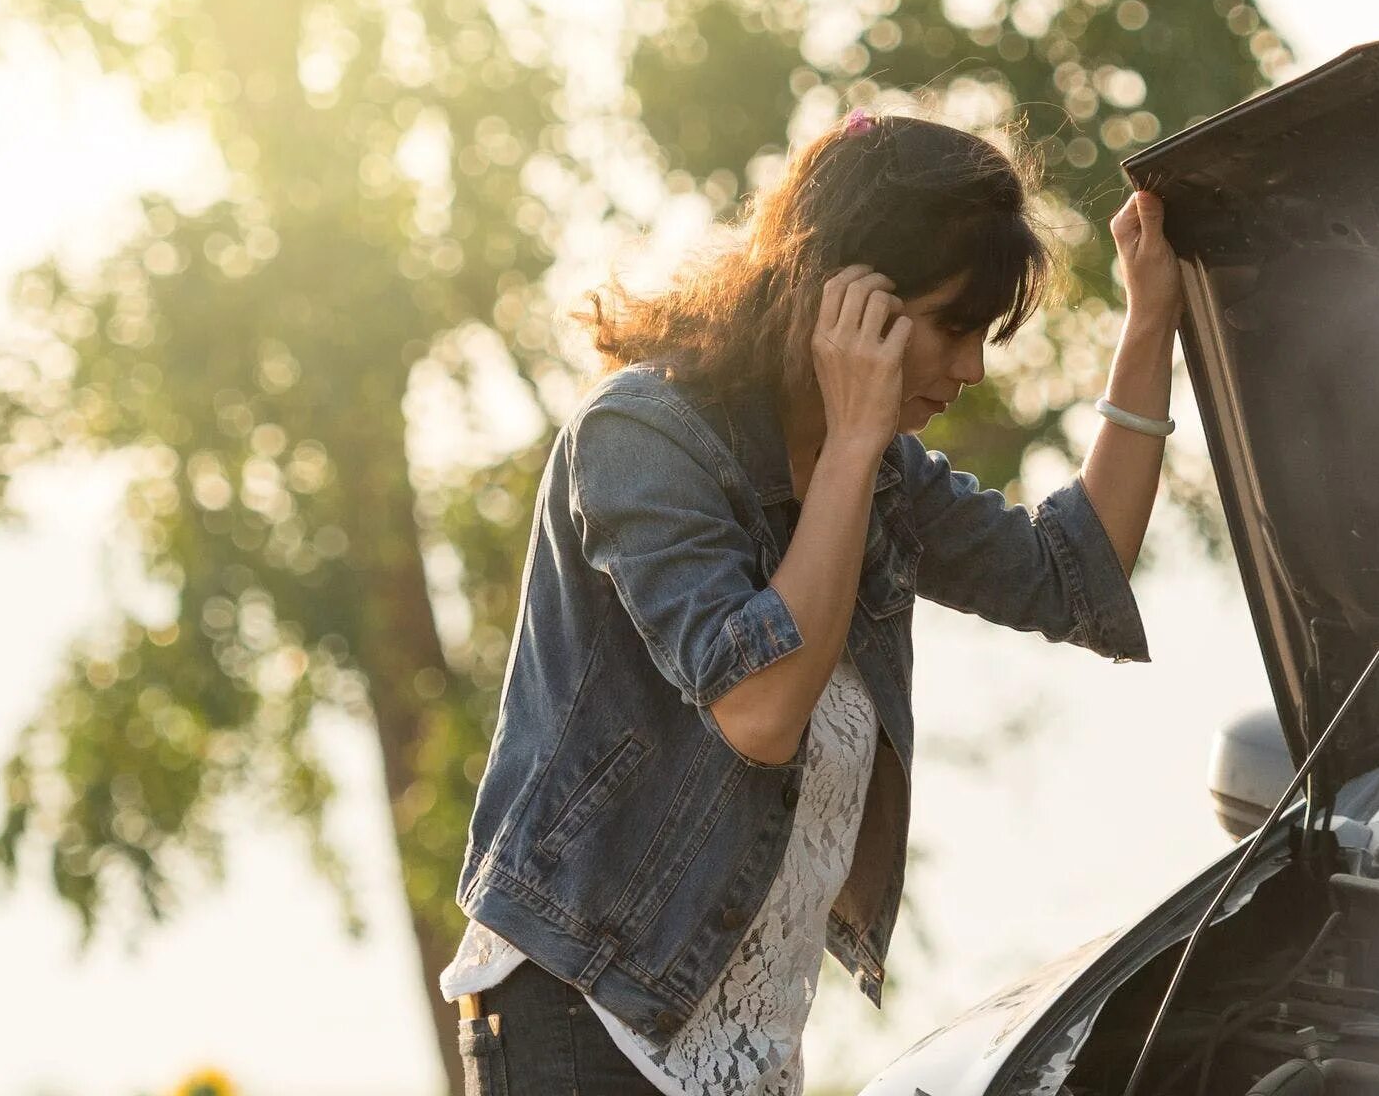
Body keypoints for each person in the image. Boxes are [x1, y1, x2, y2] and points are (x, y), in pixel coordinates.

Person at [436, 109, 1183, 1093]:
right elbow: (760, 710)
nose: (970, 370)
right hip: (584, 1023)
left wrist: (1152, 319)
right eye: (954, 325)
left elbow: (1070, 575)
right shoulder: (640, 441)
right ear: (850, 302)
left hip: (743, 1058)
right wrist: (856, 441)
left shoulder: (874, 476)